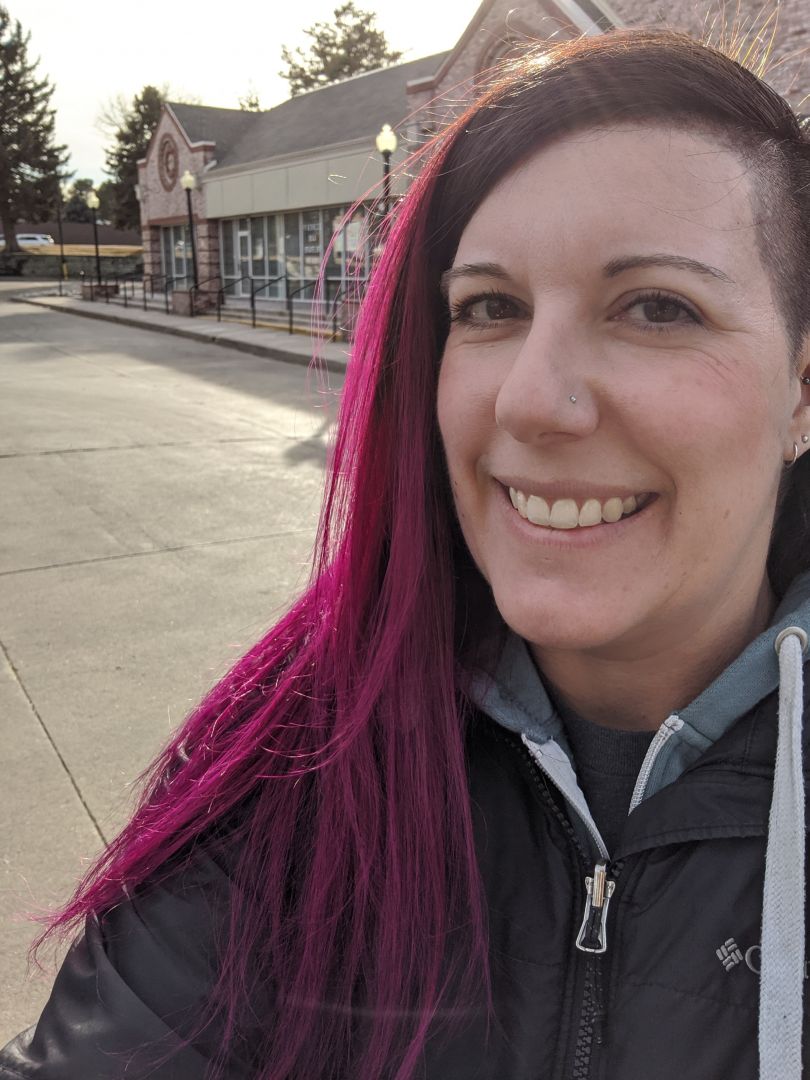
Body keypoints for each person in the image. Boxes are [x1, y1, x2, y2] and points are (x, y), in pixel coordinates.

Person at [3, 26, 810, 1080]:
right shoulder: (288, 770)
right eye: (490, 308)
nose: (530, 399)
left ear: (801, 387)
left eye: (657, 307)